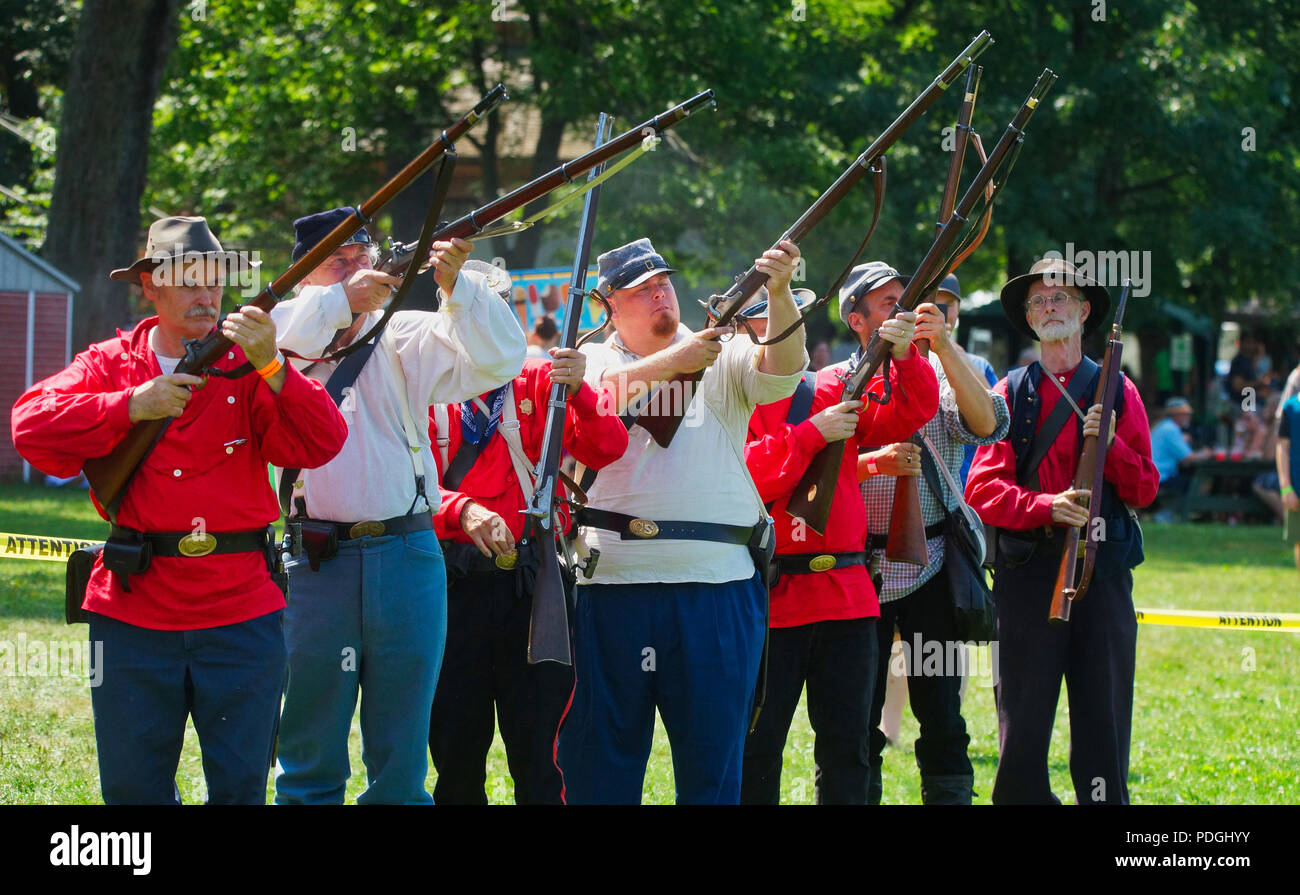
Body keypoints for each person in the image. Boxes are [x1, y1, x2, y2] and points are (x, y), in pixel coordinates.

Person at [11, 216, 348, 804]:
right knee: (132, 793)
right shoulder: (110, 364)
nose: (206, 294)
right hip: (134, 613)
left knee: (242, 788)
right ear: (150, 286)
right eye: (188, 279)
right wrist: (127, 406)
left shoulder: (251, 365)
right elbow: (29, 427)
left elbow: (323, 441)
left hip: (240, 612)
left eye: (215, 279)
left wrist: (275, 366)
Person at [270, 207, 526, 805]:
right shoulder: (280, 326)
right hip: (318, 554)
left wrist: (456, 283)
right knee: (310, 748)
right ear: (304, 273)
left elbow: (498, 358)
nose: (360, 270)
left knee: (402, 758)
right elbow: (283, 335)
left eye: (364, 257)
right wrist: (342, 302)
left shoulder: (403, 332)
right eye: (340, 261)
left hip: (407, 552)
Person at [557, 237, 808, 804]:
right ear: (609, 306)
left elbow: (785, 371)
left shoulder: (727, 352)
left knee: (713, 765)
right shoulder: (593, 359)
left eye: (663, 284)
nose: (659, 295)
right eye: (641, 290)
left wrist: (780, 289)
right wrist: (679, 360)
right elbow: (594, 399)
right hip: (614, 586)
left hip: (716, 586)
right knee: (601, 764)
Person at [426, 261, 628, 804]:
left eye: (495, 311)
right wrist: (460, 510)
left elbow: (607, 448)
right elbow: (406, 483)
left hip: (534, 587)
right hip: (450, 585)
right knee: (456, 754)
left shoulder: (542, 380)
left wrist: (581, 389)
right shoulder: (421, 381)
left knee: (542, 757)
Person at [965, 257, 1158, 805]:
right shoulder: (1009, 391)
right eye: (1039, 301)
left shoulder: (1119, 389)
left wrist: (1111, 447)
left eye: (1061, 297)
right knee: (1022, 723)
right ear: (1029, 318)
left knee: (1104, 721)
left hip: (1104, 570)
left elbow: (1145, 488)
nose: (1050, 307)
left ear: (1085, 310)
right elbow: (982, 490)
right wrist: (1046, 506)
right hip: (1029, 575)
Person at [739, 281, 939, 804]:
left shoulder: (832, 387)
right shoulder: (731, 400)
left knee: (848, 747)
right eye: (765, 325)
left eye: (788, 324)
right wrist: (813, 433)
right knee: (757, 747)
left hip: (846, 596)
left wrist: (905, 356)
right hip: (770, 598)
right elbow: (748, 476)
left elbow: (909, 413)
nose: (778, 336)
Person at [848, 263, 1010, 805]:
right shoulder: (840, 382)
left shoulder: (944, 374)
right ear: (857, 319)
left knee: (941, 713)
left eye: (905, 299)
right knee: (857, 716)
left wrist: (942, 347)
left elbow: (987, 424)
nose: (901, 308)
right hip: (856, 575)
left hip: (933, 567)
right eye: (887, 301)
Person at [1151, 397, 1211, 494]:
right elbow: (1188, 458)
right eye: (1186, 414)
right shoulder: (1171, 429)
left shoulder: (1164, 426)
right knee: (1202, 484)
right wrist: (1204, 454)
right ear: (1177, 415)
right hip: (1161, 479)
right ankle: (1193, 509)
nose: (1189, 417)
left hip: (1156, 477)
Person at [1277, 391, 1300, 589]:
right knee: (1299, 541)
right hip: (1297, 486)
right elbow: (1282, 447)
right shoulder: (1291, 407)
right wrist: (1285, 487)